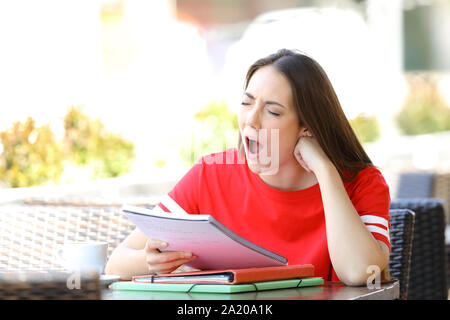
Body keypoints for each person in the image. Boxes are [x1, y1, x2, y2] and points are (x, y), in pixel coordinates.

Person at [105, 49, 391, 286]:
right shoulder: (212, 174)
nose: (251, 120)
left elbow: (360, 274)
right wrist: (151, 260)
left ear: (307, 127)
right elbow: (117, 262)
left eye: (273, 111)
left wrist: (326, 172)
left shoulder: (362, 183)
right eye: (246, 103)